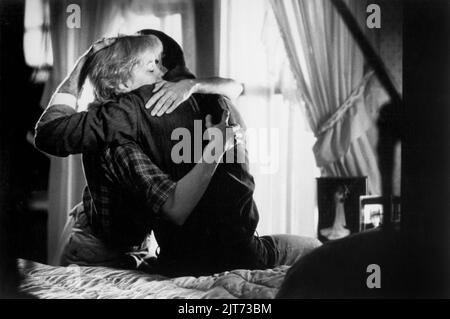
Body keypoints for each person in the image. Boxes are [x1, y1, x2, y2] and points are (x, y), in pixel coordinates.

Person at [35, 32, 321, 276]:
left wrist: (192, 86)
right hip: (95, 245)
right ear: (122, 82)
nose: (162, 75)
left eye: (163, 65)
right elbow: (49, 132)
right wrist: (83, 62)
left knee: (313, 249)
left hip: (130, 243)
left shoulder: (172, 110)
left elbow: (237, 87)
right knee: (314, 250)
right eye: (152, 66)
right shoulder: (122, 122)